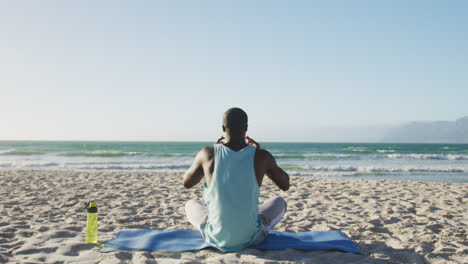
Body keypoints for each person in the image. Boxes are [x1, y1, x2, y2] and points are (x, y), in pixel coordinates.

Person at [183, 107, 290, 251]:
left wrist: (209, 162)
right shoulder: (262, 156)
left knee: (191, 204)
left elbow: (187, 182)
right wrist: (262, 161)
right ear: (246, 129)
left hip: (215, 237)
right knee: (280, 202)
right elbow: (285, 184)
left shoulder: (207, 154)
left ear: (222, 128)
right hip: (252, 238)